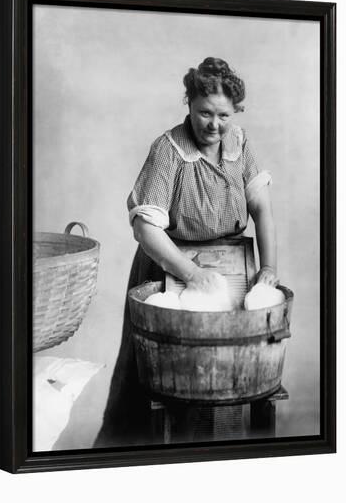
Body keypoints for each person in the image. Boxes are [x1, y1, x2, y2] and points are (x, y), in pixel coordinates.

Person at [94, 57, 278, 448]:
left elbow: (261, 208)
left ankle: (224, 451)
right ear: (189, 104)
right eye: (204, 113)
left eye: (223, 115)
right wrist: (192, 275)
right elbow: (145, 228)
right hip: (169, 265)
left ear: (236, 111)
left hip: (231, 264)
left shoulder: (239, 144)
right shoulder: (168, 150)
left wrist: (268, 269)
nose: (213, 124)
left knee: (227, 364)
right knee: (161, 375)